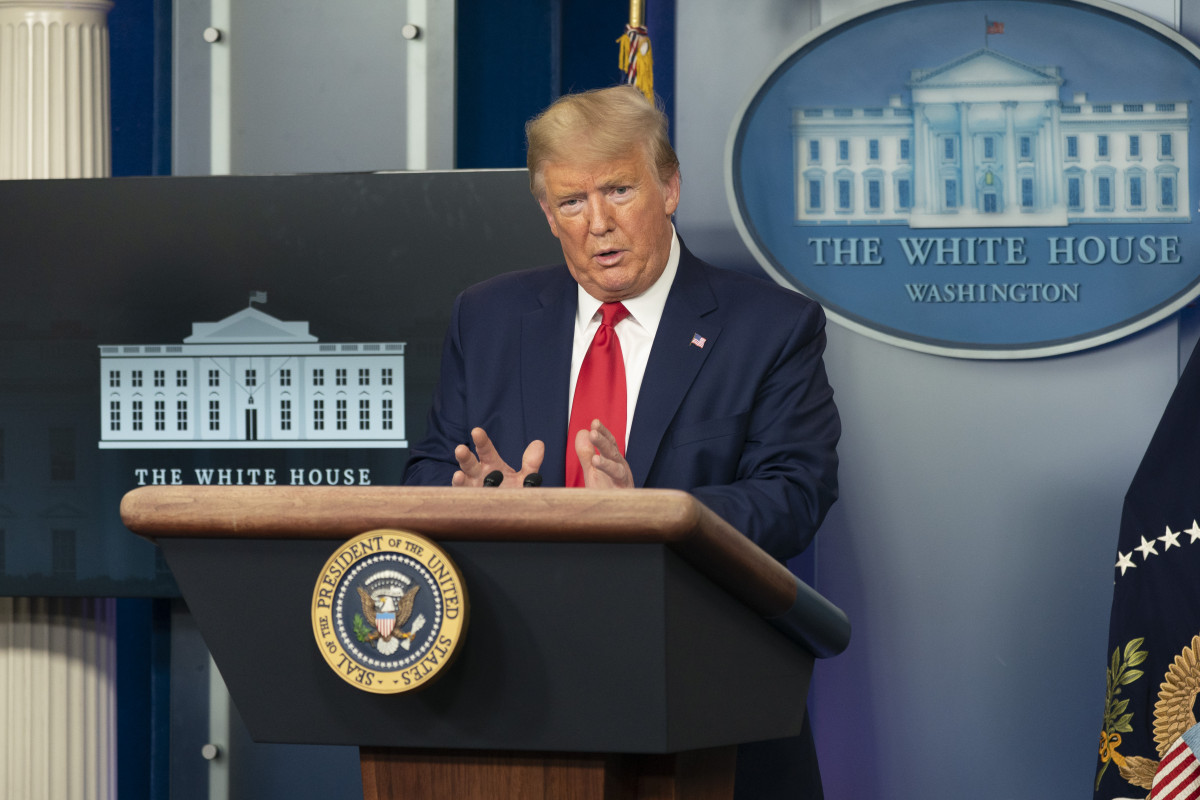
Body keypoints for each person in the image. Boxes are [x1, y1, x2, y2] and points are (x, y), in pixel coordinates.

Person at [403, 85, 840, 796]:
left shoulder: (770, 327)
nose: (598, 223)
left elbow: (794, 493)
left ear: (669, 188)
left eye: (619, 190)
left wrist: (648, 514)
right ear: (548, 215)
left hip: (704, 697)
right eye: (572, 202)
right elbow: (428, 471)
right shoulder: (487, 316)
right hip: (515, 692)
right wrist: (484, 503)